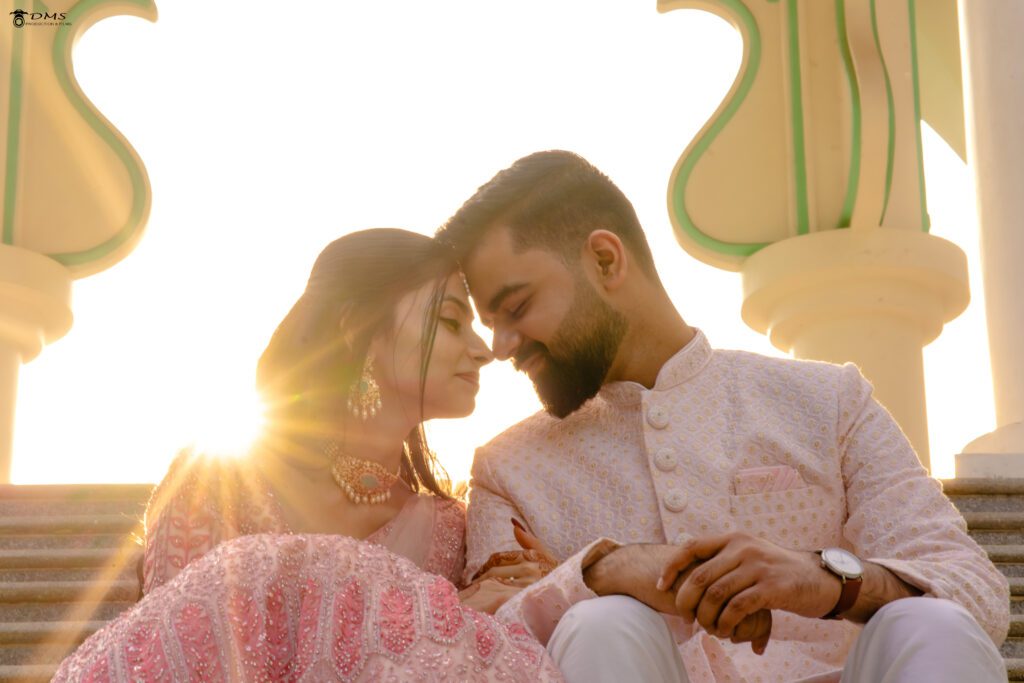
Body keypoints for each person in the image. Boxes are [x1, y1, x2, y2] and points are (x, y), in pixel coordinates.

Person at [435, 151, 1010, 682]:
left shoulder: (827, 400)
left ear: (606, 260)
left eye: (515, 307)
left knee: (930, 623)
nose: (503, 345)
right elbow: (484, 638)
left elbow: (977, 592)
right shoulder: (506, 468)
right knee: (601, 623)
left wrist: (822, 580)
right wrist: (605, 570)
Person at [53, 229, 562, 682]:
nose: (484, 349)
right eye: (451, 320)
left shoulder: (448, 529)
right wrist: (426, 611)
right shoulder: (218, 481)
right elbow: (173, 653)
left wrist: (527, 587)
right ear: (356, 325)